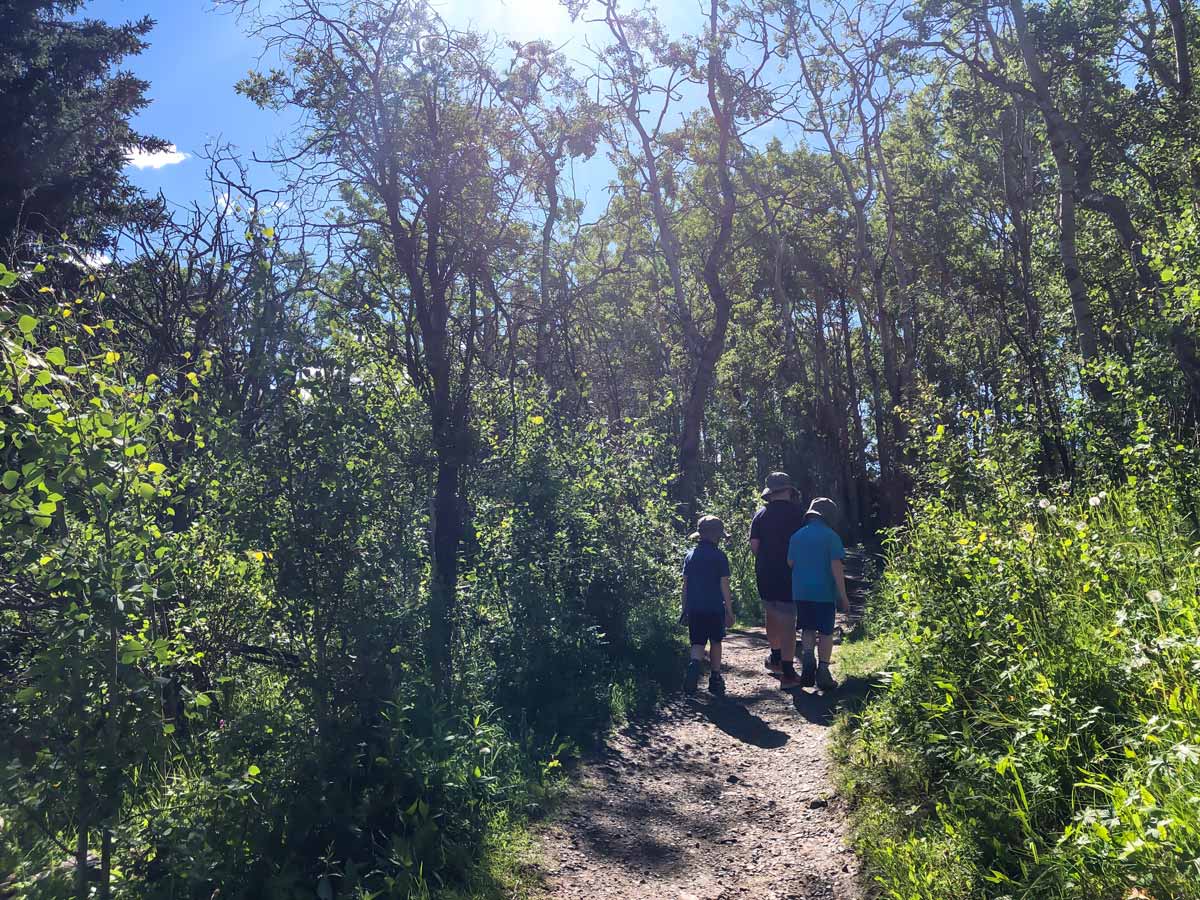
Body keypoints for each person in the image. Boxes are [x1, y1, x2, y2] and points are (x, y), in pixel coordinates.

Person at [787, 497, 851, 690]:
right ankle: (823, 670)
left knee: (807, 628)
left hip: (801, 591)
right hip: (824, 592)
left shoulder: (796, 536)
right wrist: (843, 595)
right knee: (825, 632)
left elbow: (790, 563)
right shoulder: (831, 536)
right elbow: (836, 567)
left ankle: (808, 657)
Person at [749, 472, 806, 688]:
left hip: (765, 572)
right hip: (791, 572)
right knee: (788, 619)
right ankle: (788, 671)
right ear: (789, 491)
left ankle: (775, 657)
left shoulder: (760, 515)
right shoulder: (799, 515)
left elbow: (755, 546)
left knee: (771, 611)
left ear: (769, 493)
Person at [681, 515, 734, 696]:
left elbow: (685, 586)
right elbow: (724, 586)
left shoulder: (690, 556)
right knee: (716, 641)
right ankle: (715, 677)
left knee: (697, 642)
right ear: (717, 536)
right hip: (714, 608)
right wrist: (729, 610)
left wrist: (684, 608)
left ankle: (693, 666)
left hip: (695, 608)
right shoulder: (719, 557)